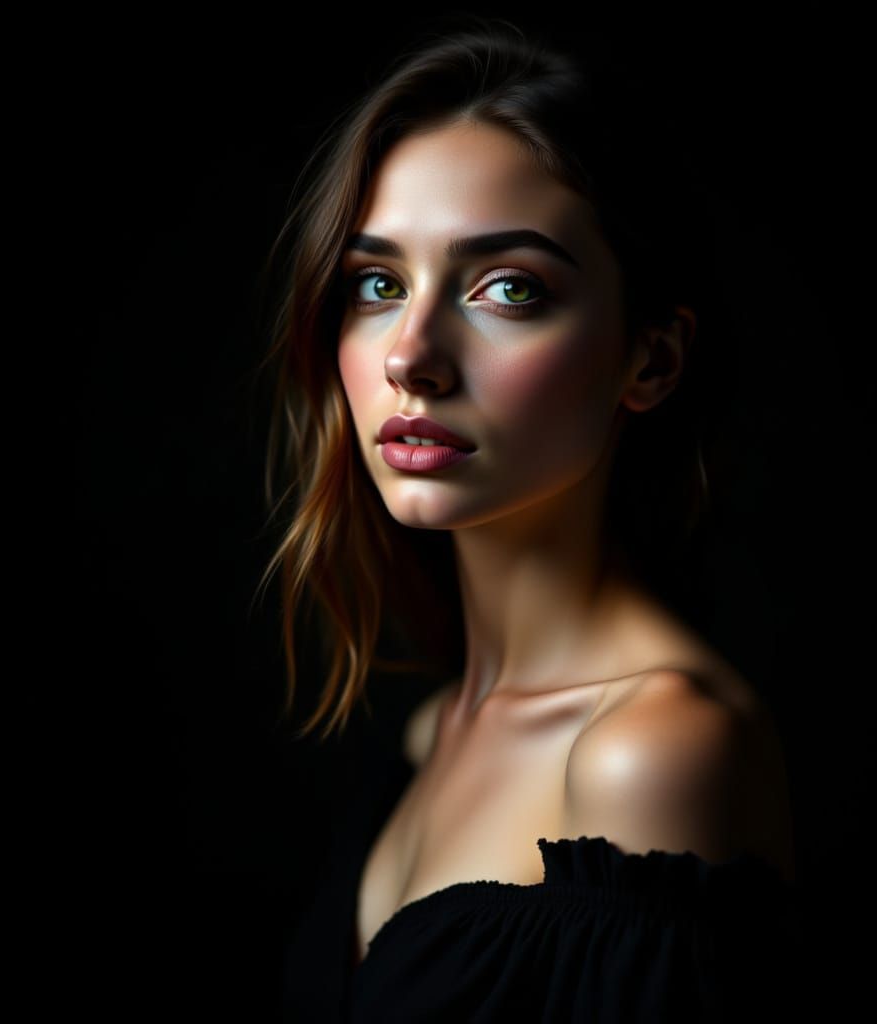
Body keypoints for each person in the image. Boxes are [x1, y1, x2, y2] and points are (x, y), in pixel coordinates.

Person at [261, 13, 804, 1022]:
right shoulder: (430, 731)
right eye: (376, 283)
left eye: (506, 287)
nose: (408, 355)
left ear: (650, 360)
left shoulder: (652, 752)